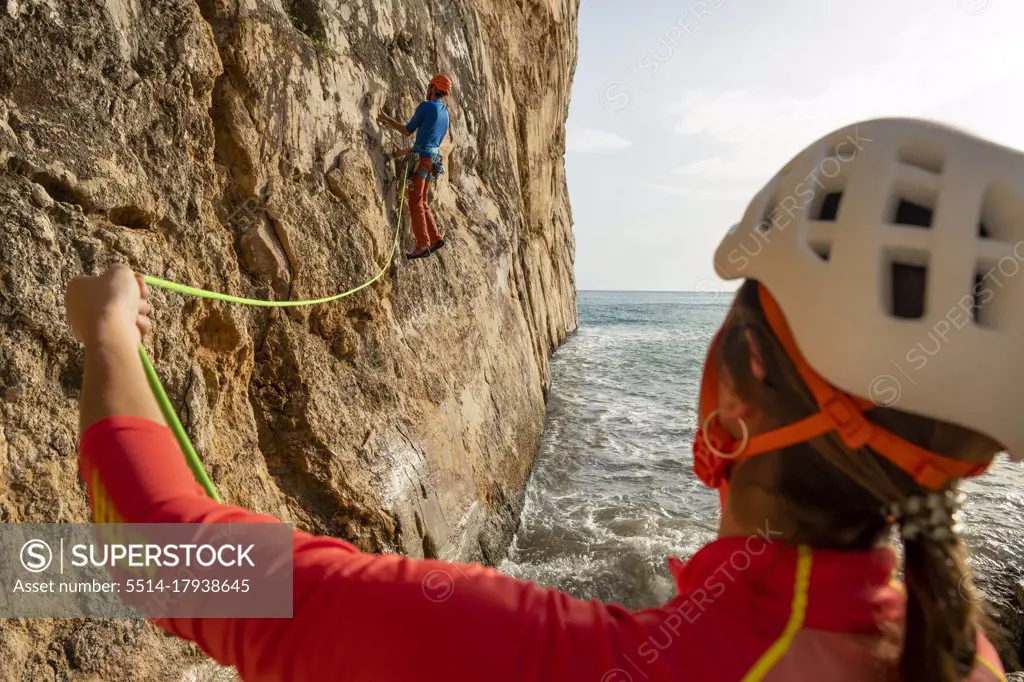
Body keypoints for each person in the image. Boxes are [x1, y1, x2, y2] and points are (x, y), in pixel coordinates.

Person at [67, 118, 1018, 681]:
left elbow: (169, 557)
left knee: (35, 566)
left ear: (742, 384)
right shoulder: (960, 653)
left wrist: (109, 332)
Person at [377, 74, 452, 260]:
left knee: (415, 201)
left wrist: (385, 118)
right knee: (422, 200)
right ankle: (435, 237)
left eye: (429, 86)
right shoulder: (445, 114)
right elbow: (430, 143)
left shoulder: (426, 107)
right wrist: (403, 152)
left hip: (423, 159)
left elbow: (407, 130)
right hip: (432, 161)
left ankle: (423, 244)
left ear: (433, 88)